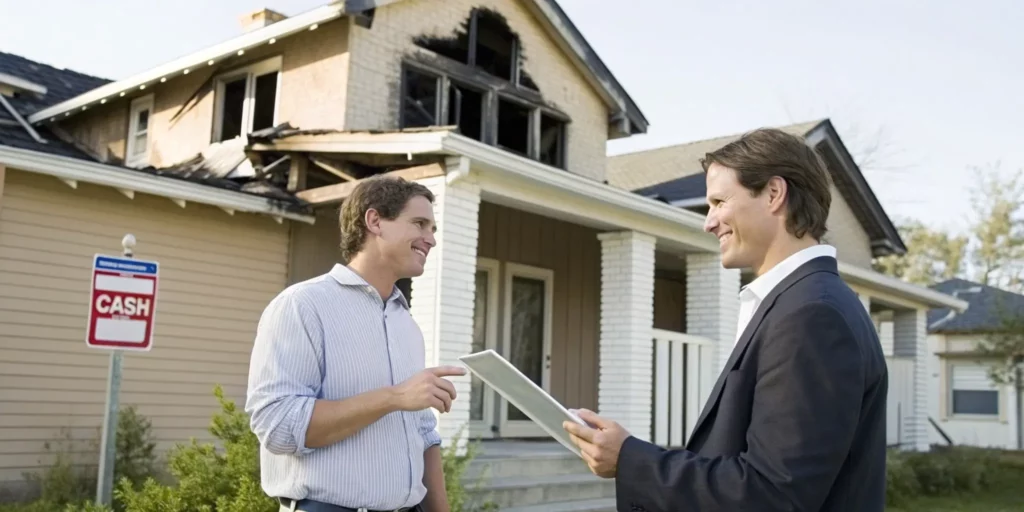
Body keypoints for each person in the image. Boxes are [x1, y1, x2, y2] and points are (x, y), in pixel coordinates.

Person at [563, 128, 888, 511]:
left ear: (774, 193)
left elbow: (772, 494)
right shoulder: (802, 303)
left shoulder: (812, 315)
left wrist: (630, 460)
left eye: (719, 202)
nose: (709, 222)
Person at [245, 176, 467, 512]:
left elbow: (424, 432)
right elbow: (278, 426)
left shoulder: (406, 324)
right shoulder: (302, 305)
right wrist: (394, 397)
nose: (431, 239)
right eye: (420, 224)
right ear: (375, 221)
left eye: (433, 228)